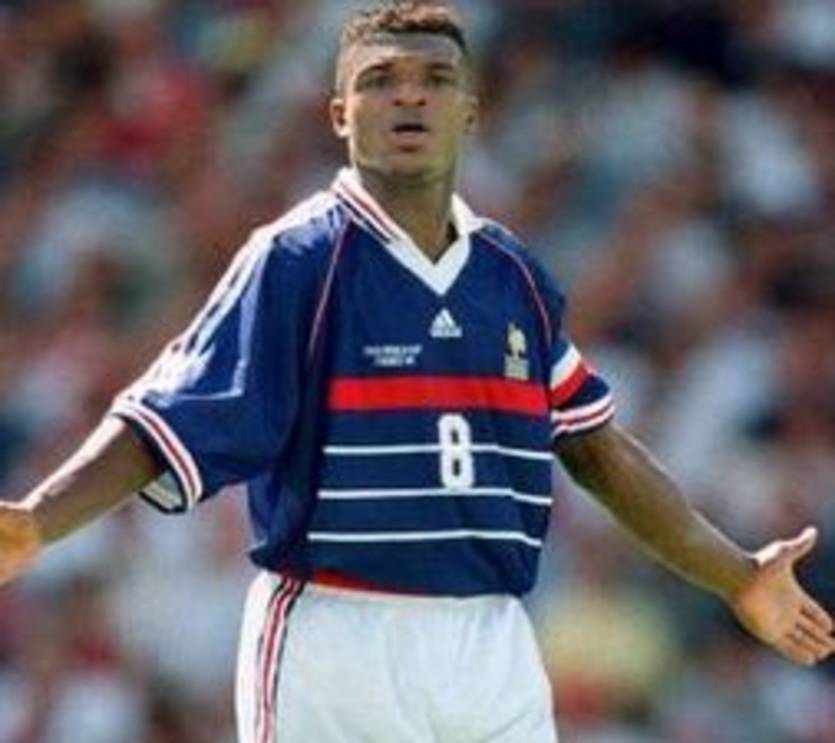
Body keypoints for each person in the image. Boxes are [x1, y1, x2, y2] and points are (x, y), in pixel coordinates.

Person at [1, 2, 833, 741]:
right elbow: (166, 420)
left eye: (435, 80)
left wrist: (734, 574)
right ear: (339, 113)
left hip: (492, 641)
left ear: (470, 110)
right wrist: (39, 520)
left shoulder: (512, 276)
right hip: (336, 633)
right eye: (380, 81)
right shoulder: (297, 259)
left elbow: (596, 448)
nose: (409, 97)